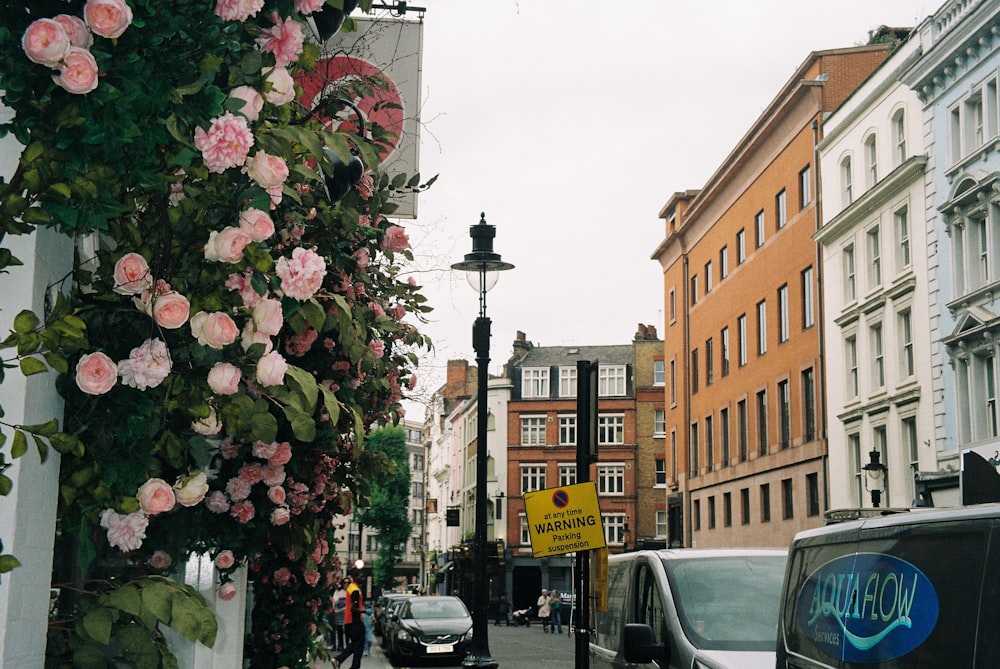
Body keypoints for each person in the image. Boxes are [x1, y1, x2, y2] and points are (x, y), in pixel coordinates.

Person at [332, 573, 364, 669]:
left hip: (350, 621)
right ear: (355, 577)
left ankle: (342, 661)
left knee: (356, 645)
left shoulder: (352, 588)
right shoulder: (355, 590)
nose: (362, 578)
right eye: (360, 576)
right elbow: (353, 608)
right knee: (358, 644)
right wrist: (365, 610)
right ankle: (339, 659)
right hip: (355, 621)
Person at [330, 580, 347, 650]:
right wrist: (341, 598)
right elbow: (335, 601)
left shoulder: (346, 591)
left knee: (343, 629)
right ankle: (338, 645)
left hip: (344, 611)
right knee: (338, 628)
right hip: (337, 611)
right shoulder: (336, 592)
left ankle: (342, 645)